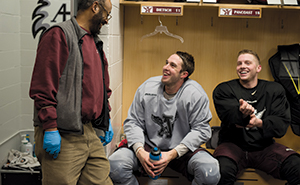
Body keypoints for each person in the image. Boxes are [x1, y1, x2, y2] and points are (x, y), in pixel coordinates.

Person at [29, 0, 114, 185]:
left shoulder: (95, 43)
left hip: (88, 131)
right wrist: (50, 128)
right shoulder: (59, 35)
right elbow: (42, 87)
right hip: (62, 134)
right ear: (95, 7)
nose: (107, 20)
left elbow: (103, 88)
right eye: (106, 14)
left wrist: (105, 117)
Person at [109, 51, 220, 185]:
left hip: (182, 150)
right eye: (166, 63)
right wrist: (140, 152)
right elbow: (133, 122)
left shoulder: (195, 94)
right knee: (115, 166)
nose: (166, 67)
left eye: (172, 65)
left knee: (210, 172)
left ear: (184, 74)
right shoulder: (147, 87)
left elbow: (201, 130)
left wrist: (172, 154)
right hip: (148, 146)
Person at [212, 49, 300, 185]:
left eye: (248, 63)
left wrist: (258, 122)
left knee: (297, 166)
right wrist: (243, 114)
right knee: (219, 172)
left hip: (264, 147)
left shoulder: (274, 90)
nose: (242, 66)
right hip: (233, 145)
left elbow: (280, 125)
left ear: (258, 68)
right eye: (239, 63)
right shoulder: (224, 89)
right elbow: (229, 117)